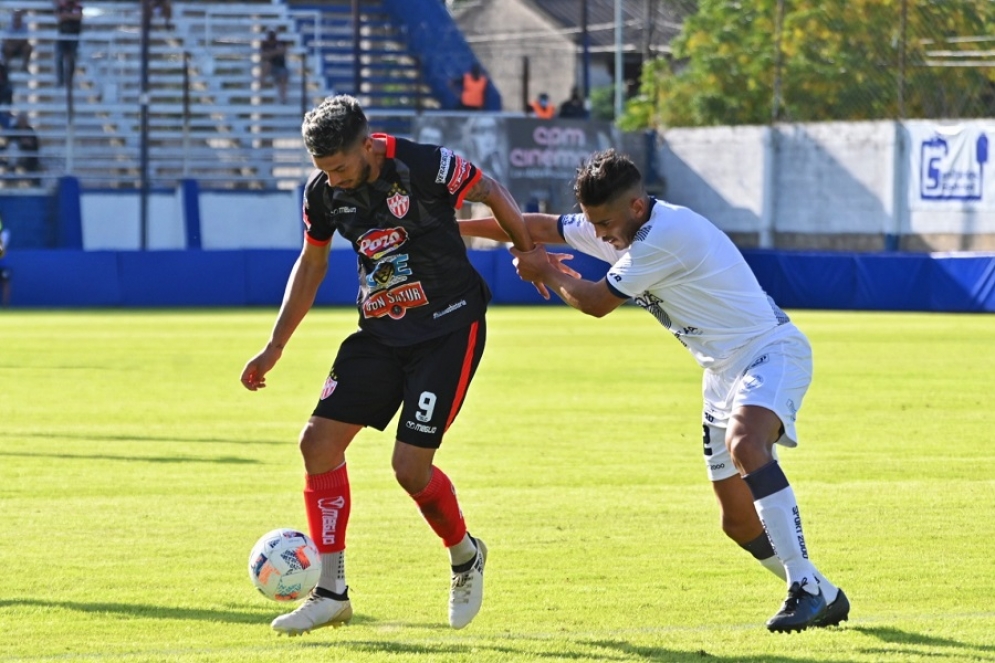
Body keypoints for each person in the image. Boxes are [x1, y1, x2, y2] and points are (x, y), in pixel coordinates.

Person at [457, 148, 850, 633]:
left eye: (603, 223)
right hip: (720, 375)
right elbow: (532, 227)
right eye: (591, 223)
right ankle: (823, 591)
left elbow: (598, 302)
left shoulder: (665, 235)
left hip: (769, 351)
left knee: (747, 444)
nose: (597, 235)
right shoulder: (616, 223)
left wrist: (546, 272)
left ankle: (804, 590)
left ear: (637, 208)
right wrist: (452, 230)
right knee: (739, 523)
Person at [239, 94, 544, 636]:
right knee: (317, 443)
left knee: (410, 470)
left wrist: (526, 249)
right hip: (381, 332)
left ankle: (465, 555)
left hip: (449, 329)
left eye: (339, 167)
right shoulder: (322, 194)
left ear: (367, 144)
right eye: (322, 171)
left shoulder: (423, 165)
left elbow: (491, 190)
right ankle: (331, 591)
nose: (331, 180)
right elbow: (311, 263)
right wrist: (275, 344)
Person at [54, 0, 83, 88]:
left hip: (74, 36)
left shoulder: (77, 6)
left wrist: (67, 16)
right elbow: (60, 16)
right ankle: (61, 80)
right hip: (62, 36)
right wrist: (71, 16)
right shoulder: (62, 6)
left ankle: (69, 79)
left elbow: (78, 16)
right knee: (59, 57)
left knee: (72, 58)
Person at [260, 29, 289, 104]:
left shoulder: (281, 43)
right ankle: (260, 88)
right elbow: (264, 55)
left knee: (283, 78)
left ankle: (283, 98)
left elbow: (283, 50)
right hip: (271, 67)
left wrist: (272, 53)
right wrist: (275, 52)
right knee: (267, 65)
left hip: (280, 66)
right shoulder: (265, 44)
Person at [0, 214, 10, 307]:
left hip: (3, 264)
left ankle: (5, 306)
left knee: (5, 283)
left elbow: (1, 248)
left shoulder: (5, 233)